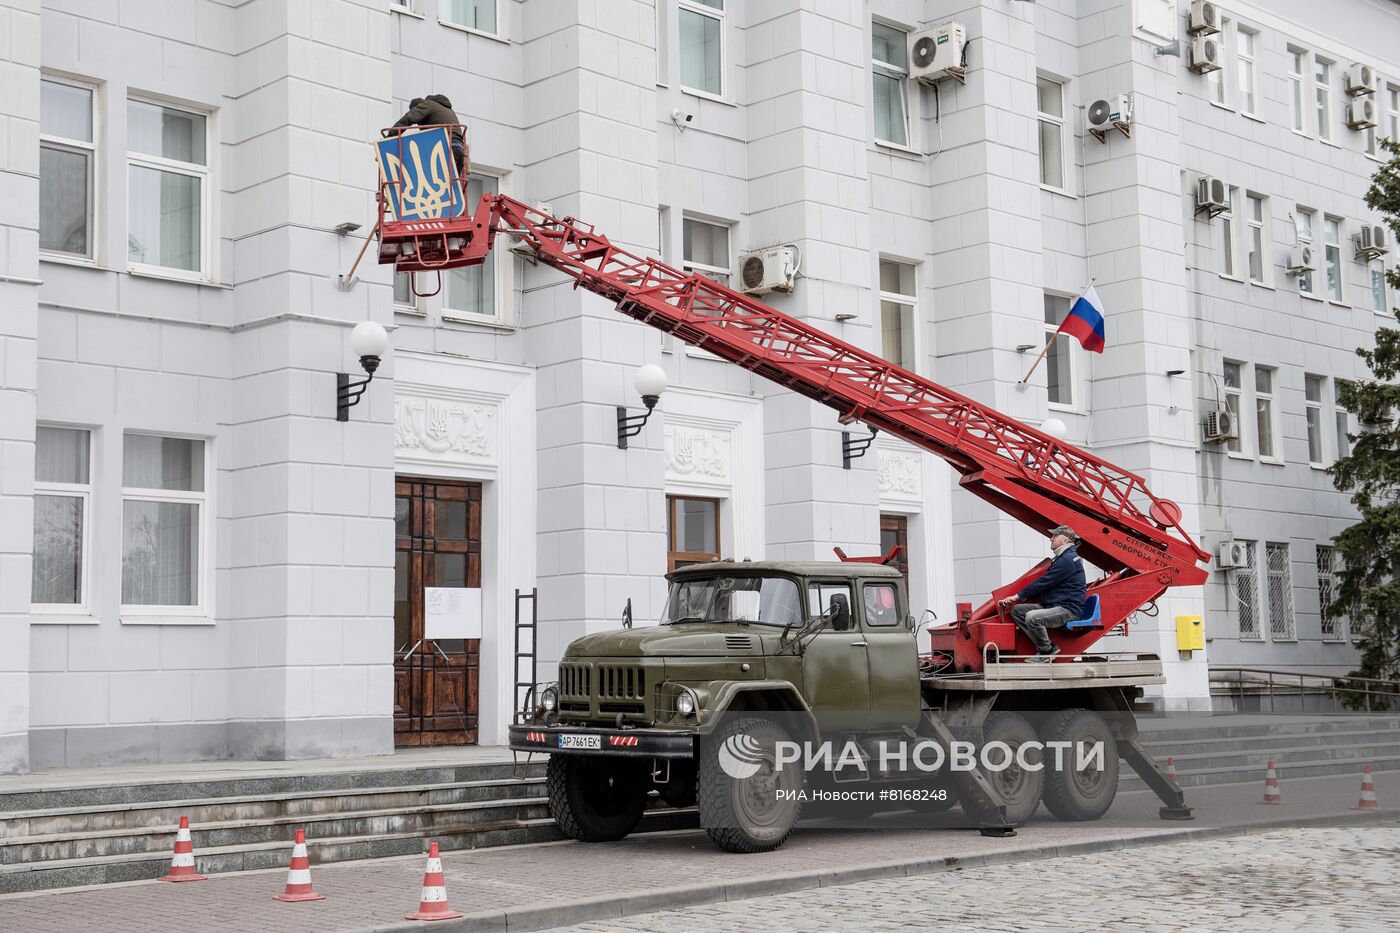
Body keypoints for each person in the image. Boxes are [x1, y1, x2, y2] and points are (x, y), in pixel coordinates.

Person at [997, 525, 1086, 662]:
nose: (1051, 538)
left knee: (1033, 617)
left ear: (1065, 541)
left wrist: (1017, 596)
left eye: (1054, 536)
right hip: (1055, 605)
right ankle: (1046, 646)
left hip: (1068, 610)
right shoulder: (1064, 558)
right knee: (1017, 611)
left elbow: (1044, 582)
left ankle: (1047, 651)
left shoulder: (1067, 560)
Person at [388, 95, 466, 175]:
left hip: (446, 149)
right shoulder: (443, 109)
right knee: (452, 185)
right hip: (459, 150)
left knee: (436, 181)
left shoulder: (427, 104)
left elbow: (408, 118)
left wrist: (390, 136)